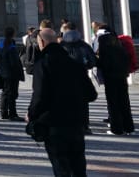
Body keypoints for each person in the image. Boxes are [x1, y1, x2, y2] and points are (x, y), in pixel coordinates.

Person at [27, 28, 97, 177]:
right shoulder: (75, 64)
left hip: (54, 124)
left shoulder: (43, 64)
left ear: (42, 42)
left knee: (61, 167)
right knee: (78, 166)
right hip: (76, 123)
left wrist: (32, 115)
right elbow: (91, 94)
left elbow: (39, 95)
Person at [92, 22, 135, 135]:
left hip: (110, 74)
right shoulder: (117, 39)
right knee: (124, 101)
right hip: (122, 74)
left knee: (112, 102)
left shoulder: (100, 40)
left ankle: (116, 129)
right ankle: (129, 128)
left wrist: (97, 64)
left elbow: (99, 58)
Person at [0, 27, 26, 121]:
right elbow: (14, 63)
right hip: (11, 73)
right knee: (12, 94)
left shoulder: (1, 44)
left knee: (5, 92)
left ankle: (3, 112)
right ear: (13, 34)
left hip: (2, 71)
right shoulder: (12, 47)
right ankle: (13, 114)